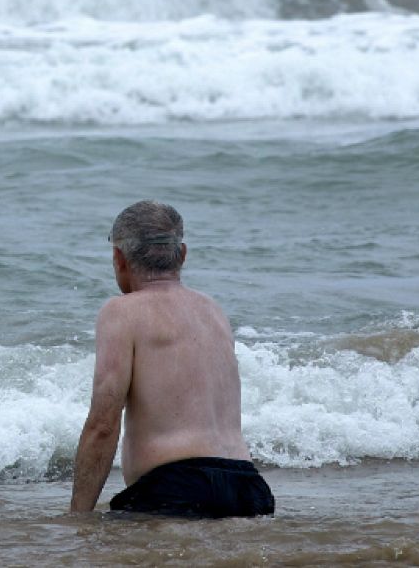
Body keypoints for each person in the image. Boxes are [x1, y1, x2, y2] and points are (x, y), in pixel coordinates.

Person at [68, 200, 274, 518]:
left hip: (178, 488)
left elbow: (103, 425)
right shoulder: (213, 311)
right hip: (248, 488)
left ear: (118, 258)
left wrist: (76, 518)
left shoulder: (121, 312)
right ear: (183, 254)